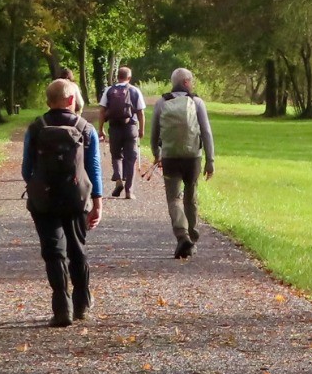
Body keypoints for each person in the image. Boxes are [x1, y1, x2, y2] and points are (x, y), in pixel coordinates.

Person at [22, 78, 103, 326]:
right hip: (76, 199)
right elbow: (94, 168)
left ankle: (61, 309)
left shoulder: (36, 128)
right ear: (71, 100)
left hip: (44, 200)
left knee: (53, 252)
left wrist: (39, 186)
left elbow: (26, 169)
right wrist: (98, 202)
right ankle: (82, 304)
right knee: (77, 249)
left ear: (48, 101)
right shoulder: (85, 128)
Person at [150, 67, 214, 259]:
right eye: (191, 81)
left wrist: (156, 154)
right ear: (186, 82)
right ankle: (192, 238)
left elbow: (154, 133)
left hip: (170, 157)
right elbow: (206, 132)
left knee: (173, 198)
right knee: (190, 196)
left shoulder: (162, 103)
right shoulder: (197, 102)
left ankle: (182, 235)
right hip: (193, 157)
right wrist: (210, 160)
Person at [99, 66, 145, 199]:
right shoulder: (134, 90)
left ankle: (118, 179)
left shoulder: (109, 90)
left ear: (117, 77)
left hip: (114, 128)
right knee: (131, 159)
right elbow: (141, 113)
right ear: (129, 77)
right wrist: (141, 129)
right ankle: (129, 191)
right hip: (130, 128)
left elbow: (102, 111)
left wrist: (101, 129)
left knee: (116, 156)